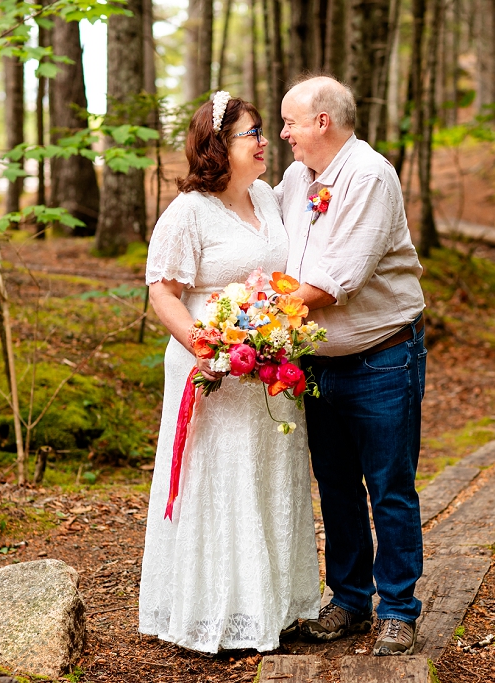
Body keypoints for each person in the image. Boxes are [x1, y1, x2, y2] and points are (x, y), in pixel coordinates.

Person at [138, 92, 321, 653]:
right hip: (212, 366)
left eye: (266, 130)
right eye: (253, 133)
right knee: (221, 477)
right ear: (219, 145)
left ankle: (274, 604)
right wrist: (203, 344)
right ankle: (216, 609)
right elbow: (162, 292)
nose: (265, 141)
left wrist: (275, 334)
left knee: (267, 473)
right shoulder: (188, 212)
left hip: (268, 365)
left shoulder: (266, 197)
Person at [275, 75, 427, 656]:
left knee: (389, 486)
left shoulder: (369, 175)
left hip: (382, 356)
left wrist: (251, 320)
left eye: (290, 122)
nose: (283, 133)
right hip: (317, 361)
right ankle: (348, 600)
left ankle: (397, 609)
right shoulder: (295, 179)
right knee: (335, 484)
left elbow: (339, 277)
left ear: (323, 122)